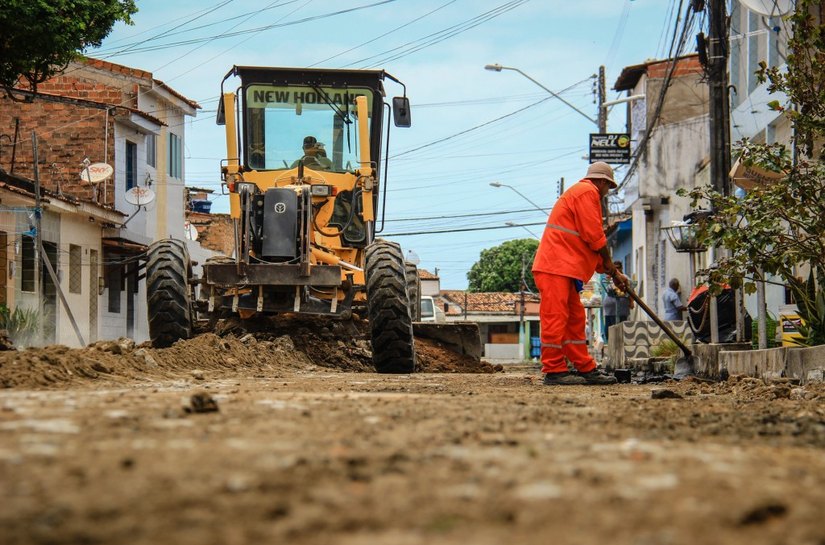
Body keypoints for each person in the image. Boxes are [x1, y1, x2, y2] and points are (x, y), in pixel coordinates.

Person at [532, 161, 630, 386]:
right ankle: (554, 370)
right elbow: (594, 236)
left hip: (562, 267)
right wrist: (610, 265)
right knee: (555, 318)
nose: (607, 194)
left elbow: (590, 248)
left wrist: (614, 273)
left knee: (575, 319)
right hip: (554, 267)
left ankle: (586, 368)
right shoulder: (587, 192)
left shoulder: (581, 193)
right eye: (608, 188)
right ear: (603, 182)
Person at [603, 261, 633, 341]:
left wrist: (631, 301)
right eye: (615, 267)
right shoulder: (609, 278)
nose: (617, 269)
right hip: (611, 304)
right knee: (610, 324)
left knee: (621, 324)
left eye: (618, 267)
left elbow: (631, 290)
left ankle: (619, 341)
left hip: (621, 305)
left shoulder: (625, 278)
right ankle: (611, 341)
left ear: (621, 268)